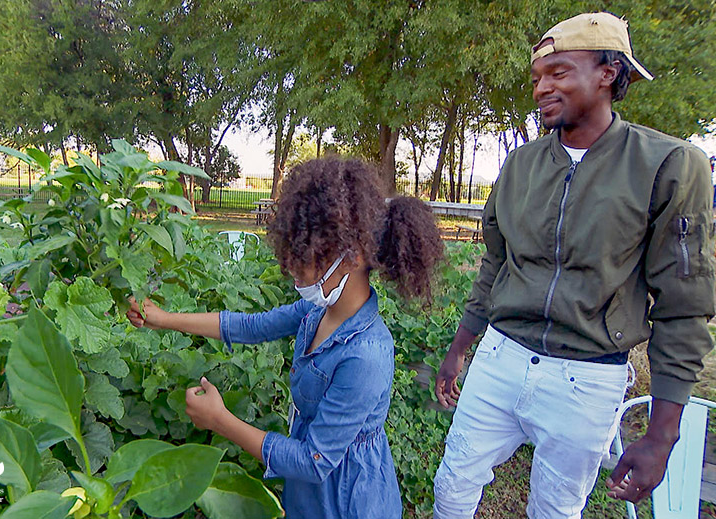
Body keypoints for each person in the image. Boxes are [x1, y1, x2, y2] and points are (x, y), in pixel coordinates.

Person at [432, 12, 715, 519]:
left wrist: (662, 433)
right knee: (452, 485)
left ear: (607, 73)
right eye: (538, 77)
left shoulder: (667, 166)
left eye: (559, 72)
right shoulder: (520, 164)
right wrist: (460, 349)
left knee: (556, 509)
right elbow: (495, 265)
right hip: (500, 359)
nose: (542, 88)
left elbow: (683, 305)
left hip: (586, 380)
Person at [128, 157, 444, 519]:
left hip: (347, 504)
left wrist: (220, 420)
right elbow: (250, 326)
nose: (294, 267)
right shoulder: (316, 312)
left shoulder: (366, 355)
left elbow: (314, 460)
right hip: (307, 498)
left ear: (353, 258)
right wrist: (164, 319)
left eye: (306, 257)